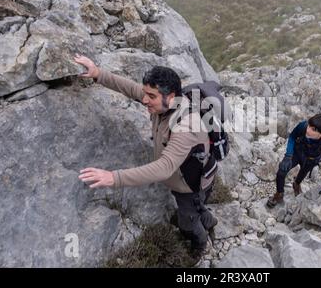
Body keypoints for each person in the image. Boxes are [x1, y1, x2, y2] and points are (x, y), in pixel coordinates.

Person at [74, 55, 218, 259]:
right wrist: (98, 73)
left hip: (190, 185)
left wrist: (114, 178)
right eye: (145, 94)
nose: (144, 100)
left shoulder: (187, 124)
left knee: (187, 220)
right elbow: (131, 88)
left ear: (171, 96)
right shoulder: (165, 104)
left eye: (151, 96)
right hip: (187, 175)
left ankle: (200, 243)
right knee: (197, 207)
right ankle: (208, 219)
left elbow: (165, 167)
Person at [267, 114, 321, 207]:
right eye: (309, 126)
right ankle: (279, 193)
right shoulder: (304, 126)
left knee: (303, 173)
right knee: (281, 172)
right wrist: (288, 156)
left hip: (312, 159)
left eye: (314, 130)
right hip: (298, 152)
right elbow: (292, 137)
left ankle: (296, 185)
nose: (308, 130)